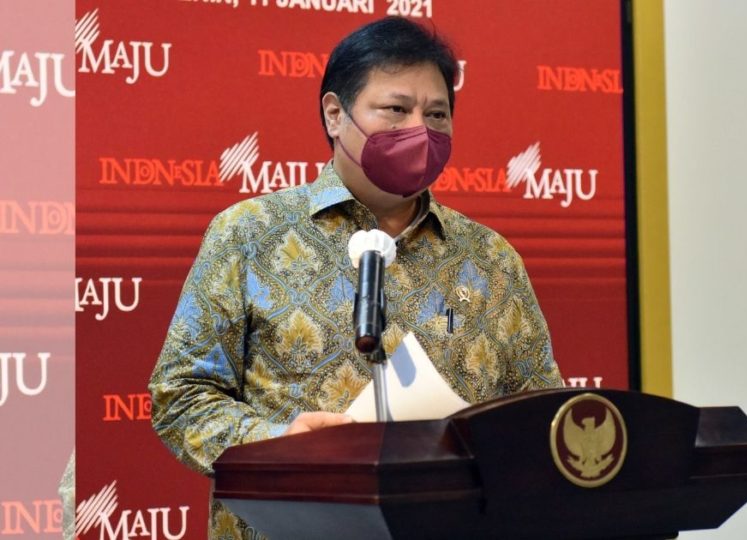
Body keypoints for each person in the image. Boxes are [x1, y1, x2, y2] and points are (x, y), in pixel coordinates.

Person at [148, 17, 563, 539]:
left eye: (437, 114)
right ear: (335, 115)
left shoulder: (490, 258)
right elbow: (181, 396)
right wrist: (277, 441)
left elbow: (540, 409)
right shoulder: (249, 234)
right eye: (396, 109)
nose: (421, 130)